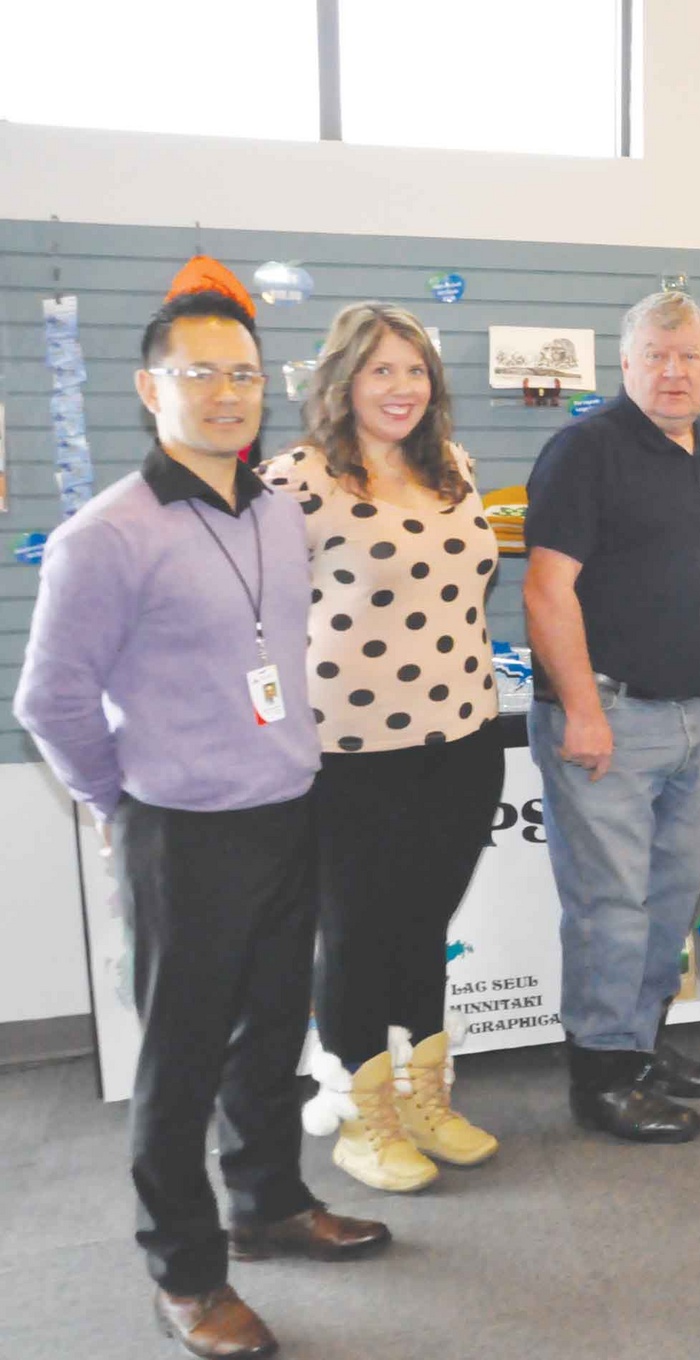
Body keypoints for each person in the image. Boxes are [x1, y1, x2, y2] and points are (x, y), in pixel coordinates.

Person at [15, 290, 389, 1359]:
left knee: (269, 1037)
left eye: (243, 373)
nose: (227, 394)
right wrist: (117, 802)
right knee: (178, 1067)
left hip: (285, 809)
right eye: (199, 373)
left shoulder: (273, 509)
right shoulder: (104, 536)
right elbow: (50, 699)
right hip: (181, 832)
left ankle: (267, 1204)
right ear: (150, 388)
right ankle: (184, 1273)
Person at [260, 302, 505, 1191]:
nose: (402, 388)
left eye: (415, 369)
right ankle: (364, 1120)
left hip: (464, 740)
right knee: (357, 932)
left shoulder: (453, 469)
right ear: (343, 380)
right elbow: (256, 619)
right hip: (350, 755)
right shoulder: (297, 479)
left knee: (422, 924)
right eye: (380, 370)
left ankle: (423, 1100)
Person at [524, 292, 700, 1142]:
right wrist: (582, 709)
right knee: (610, 906)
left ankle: (643, 1043)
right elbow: (546, 591)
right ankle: (603, 1075)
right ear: (625, 363)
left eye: (689, 355)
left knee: (667, 898)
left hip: (690, 715)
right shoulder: (585, 451)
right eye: (656, 355)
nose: (673, 371)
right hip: (609, 717)